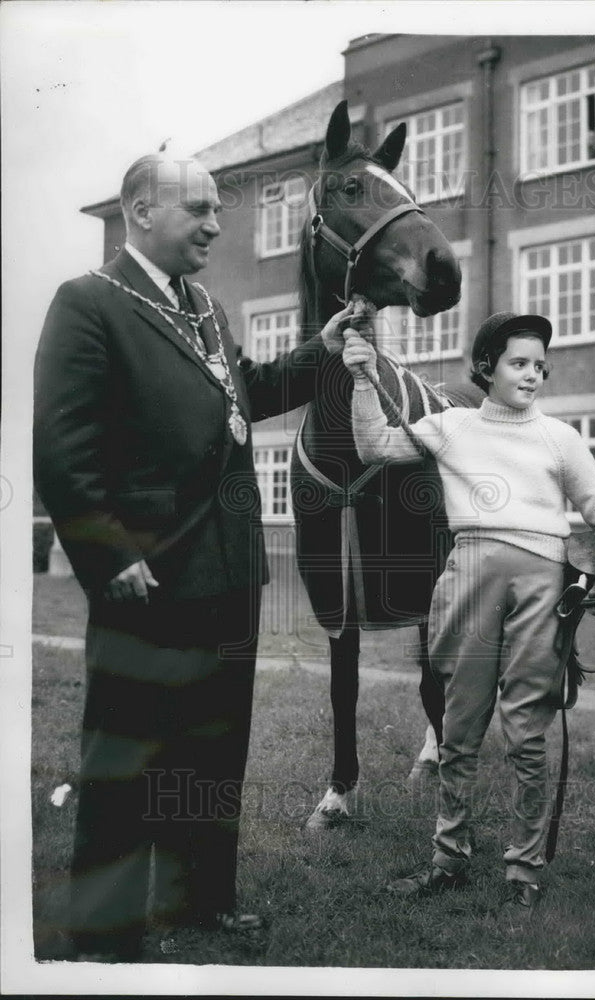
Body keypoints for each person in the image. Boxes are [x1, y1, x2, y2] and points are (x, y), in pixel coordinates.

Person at [33, 153, 353, 961]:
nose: (217, 224)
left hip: (228, 569)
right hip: (148, 576)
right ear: (141, 212)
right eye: (200, 209)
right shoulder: (88, 304)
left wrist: (321, 351)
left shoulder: (204, 306)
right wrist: (109, 557)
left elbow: (247, 391)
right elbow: (64, 452)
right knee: (127, 754)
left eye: (217, 210)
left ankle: (198, 900)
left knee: (213, 748)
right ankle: (105, 932)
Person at [341, 311, 595, 908]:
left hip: (543, 581)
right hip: (468, 575)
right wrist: (363, 379)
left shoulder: (560, 437)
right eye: (520, 363)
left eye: (541, 366)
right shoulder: (454, 426)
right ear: (488, 366)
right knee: (459, 727)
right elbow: (373, 446)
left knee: (527, 731)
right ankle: (448, 859)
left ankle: (524, 868)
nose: (533, 375)